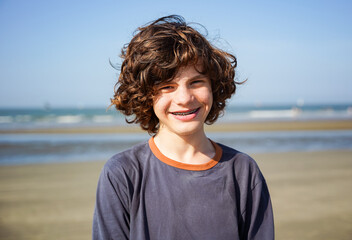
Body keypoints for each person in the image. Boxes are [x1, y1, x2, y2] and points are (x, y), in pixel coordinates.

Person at [92, 15, 274, 240]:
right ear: (144, 94)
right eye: (167, 86)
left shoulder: (243, 172)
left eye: (196, 82)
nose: (184, 98)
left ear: (214, 86)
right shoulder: (122, 173)